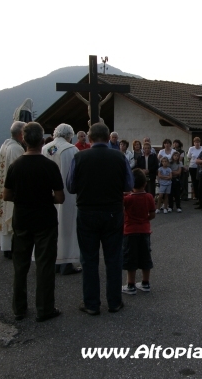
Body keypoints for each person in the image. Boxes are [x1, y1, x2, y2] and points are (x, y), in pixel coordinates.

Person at [66, 123, 134, 315]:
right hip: (113, 212)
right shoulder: (119, 157)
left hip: (87, 212)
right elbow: (129, 184)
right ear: (107, 138)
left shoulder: (79, 157)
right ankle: (114, 302)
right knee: (113, 258)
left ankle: (91, 304)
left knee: (88, 259)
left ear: (89, 138)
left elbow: (71, 186)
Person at [3, 122, 65, 322]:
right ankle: (45, 308)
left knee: (20, 265)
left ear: (23, 139)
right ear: (41, 141)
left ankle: (19, 308)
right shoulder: (50, 166)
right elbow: (60, 197)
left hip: (21, 220)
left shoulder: (15, 166)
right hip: (45, 220)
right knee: (44, 265)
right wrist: (46, 199)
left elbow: (7, 195)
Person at [42, 123, 81, 275]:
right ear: (69, 136)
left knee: (52, 228)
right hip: (67, 195)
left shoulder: (45, 149)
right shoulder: (72, 150)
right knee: (67, 227)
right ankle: (67, 262)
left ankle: (53, 261)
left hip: (48, 195)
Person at [0, 121, 26, 258]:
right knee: (12, 217)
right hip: (13, 191)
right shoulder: (16, 149)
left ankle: (8, 247)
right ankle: (12, 247)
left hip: (5, 189)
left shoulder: (6, 144)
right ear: (20, 134)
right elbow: (20, 172)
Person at [121, 169, 156, 295]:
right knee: (145, 256)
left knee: (131, 258)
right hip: (145, 230)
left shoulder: (128, 199)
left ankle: (130, 284)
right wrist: (144, 220)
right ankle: (145, 282)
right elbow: (152, 214)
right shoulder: (149, 197)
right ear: (145, 183)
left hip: (130, 231)